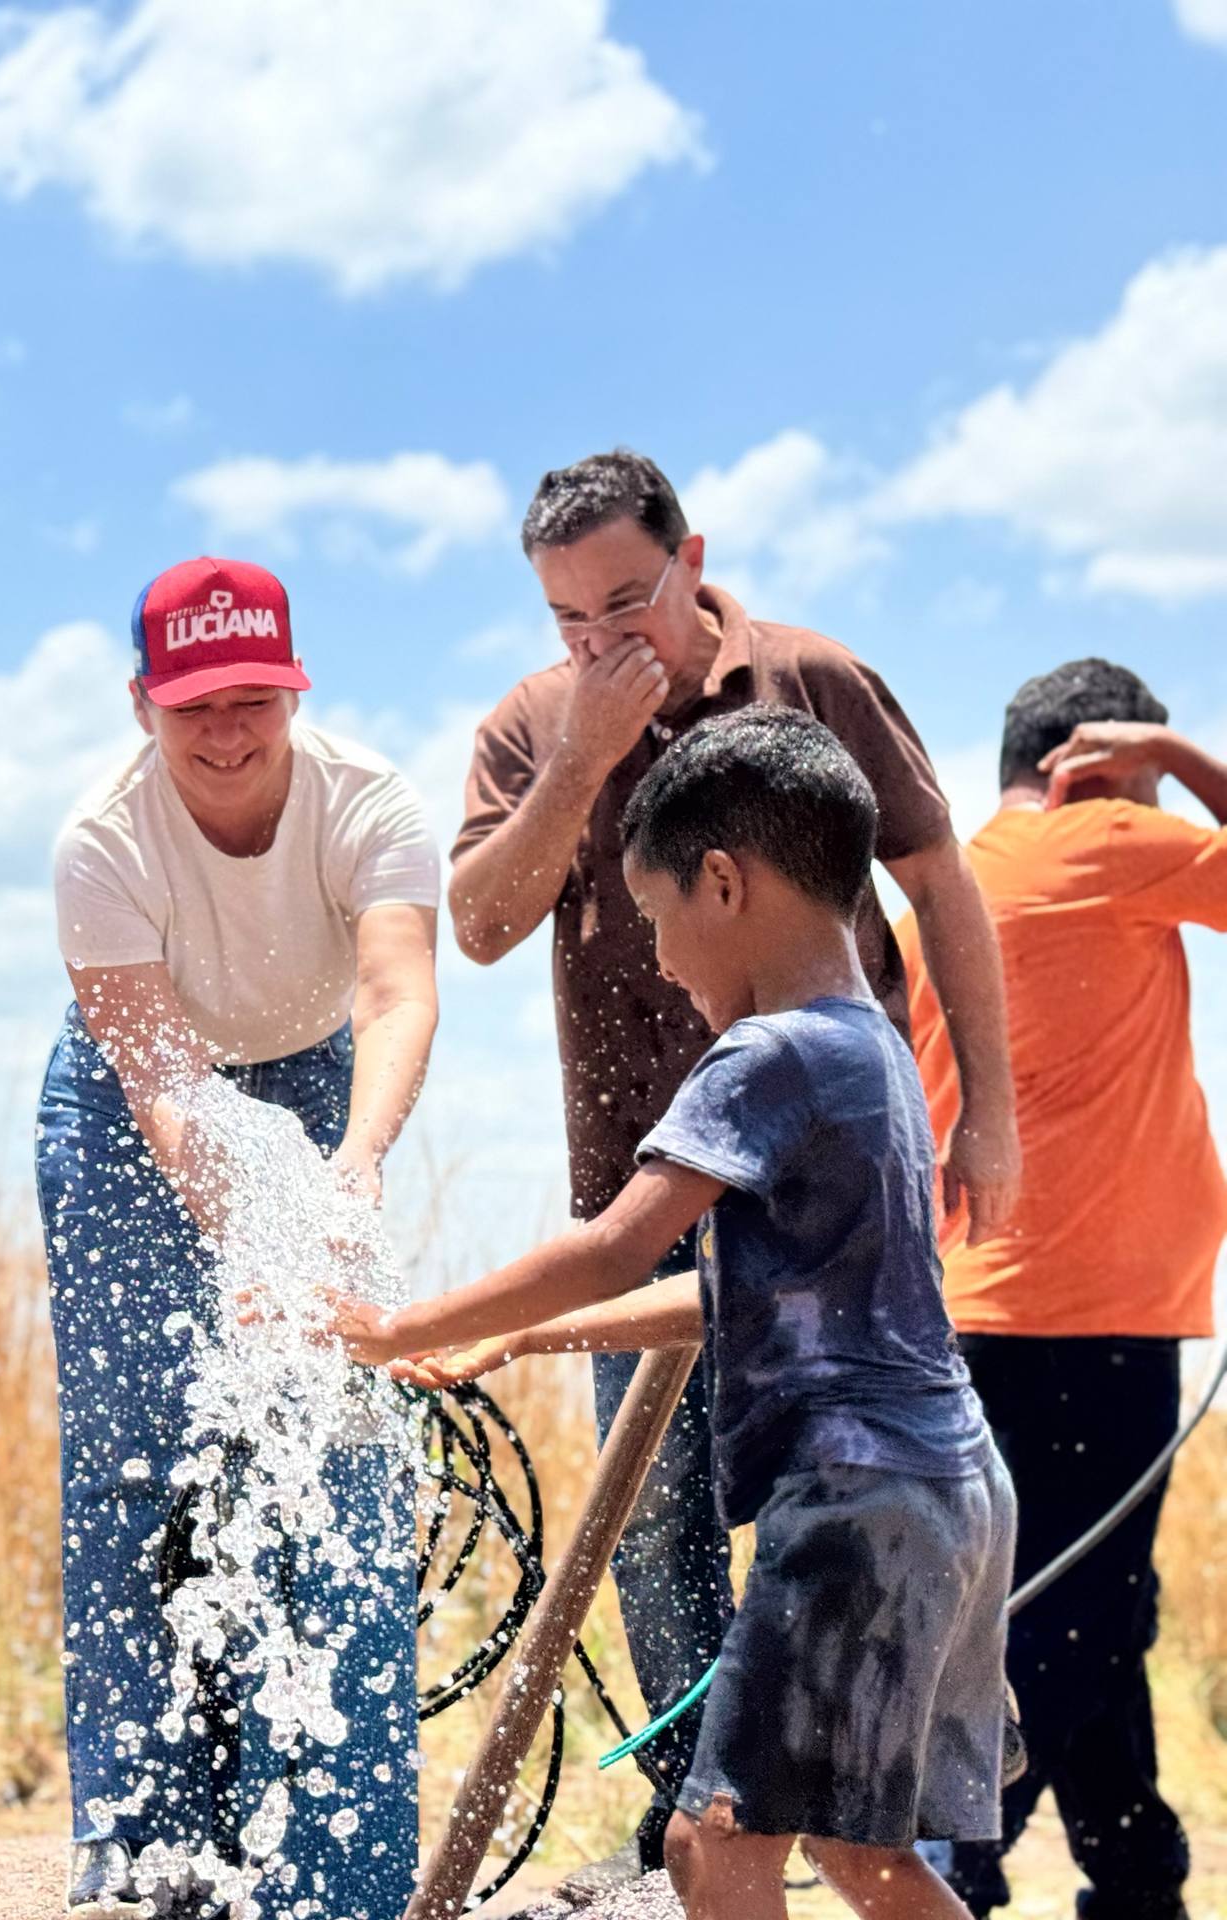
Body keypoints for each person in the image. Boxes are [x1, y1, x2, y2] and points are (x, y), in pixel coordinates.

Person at [447, 449, 1020, 1866]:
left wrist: (988, 1112)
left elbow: (942, 882)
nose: (602, 644)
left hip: (829, 1205)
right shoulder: (530, 725)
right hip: (640, 1193)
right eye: (569, 623)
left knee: (855, 1517)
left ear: (692, 557)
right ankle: (700, 1846)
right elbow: (477, 923)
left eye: (628, 604)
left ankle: (895, 1854)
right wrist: (581, 754)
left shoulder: (814, 682)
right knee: (655, 1549)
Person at [348, 708, 1015, 1920]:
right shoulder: (871, 1050)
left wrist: (399, 1327)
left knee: (714, 1845)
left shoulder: (768, 1055)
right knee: (860, 1853)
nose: (657, 959)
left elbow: (613, 1244)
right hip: (946, 1487)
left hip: (854, 1494)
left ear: (723, 882)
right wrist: (525, 1335)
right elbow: (723, 1296)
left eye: (655, 919)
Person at [36, 557, 440, 1919]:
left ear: (292, 686)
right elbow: (160, 1082)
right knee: (138, 1470)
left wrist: (354, 1180)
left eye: (254, 698)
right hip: (126, 1103)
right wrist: (256, 1247)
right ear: (145, 701)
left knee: (333, 1465)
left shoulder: (368, 800)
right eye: (194, 703)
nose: (227, 732)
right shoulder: (102, 838)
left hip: (321, 1077)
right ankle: (151, 1858)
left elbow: (393, 997)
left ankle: (342, 1868)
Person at [899, 660, 1226, 1920]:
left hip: (972, 1301)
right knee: (1074, 1613)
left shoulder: (955, 870)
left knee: (1078, 1604)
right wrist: (1185, 763)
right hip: (1090, 1303)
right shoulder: (1102, 835)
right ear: (1091, 769)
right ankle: (947, 1860)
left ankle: (1137, 1881)